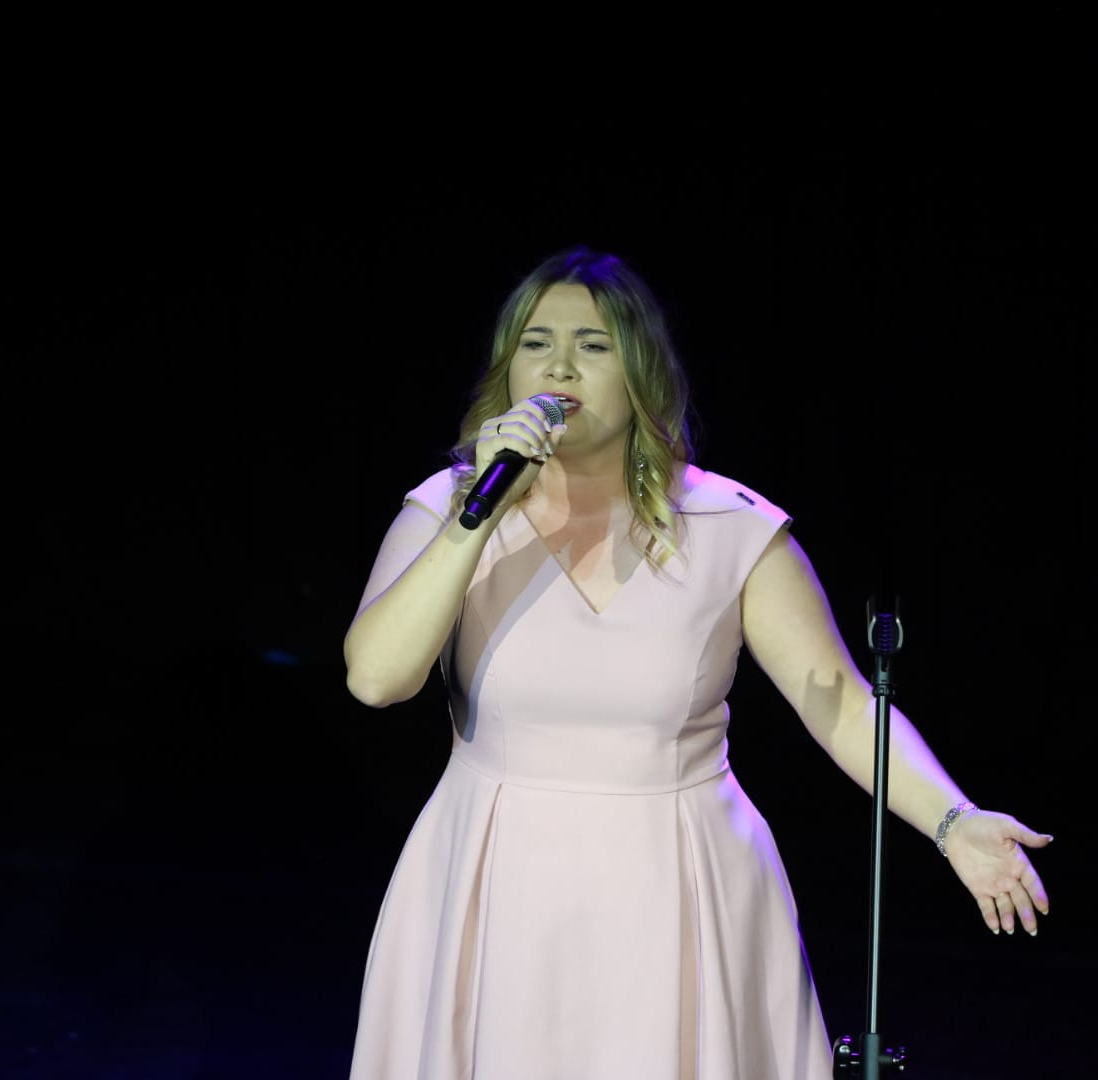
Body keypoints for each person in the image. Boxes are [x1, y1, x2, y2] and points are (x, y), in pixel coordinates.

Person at [340, 245, 1053, 1078]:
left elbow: (843, 706)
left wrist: (953, 821)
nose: (560, 366)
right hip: (493, 873)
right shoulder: (449, 508)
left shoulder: (730, 527)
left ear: (641, 369)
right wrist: (478, 513)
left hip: (676, 882)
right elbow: (377, 679)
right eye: (536, 343)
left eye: (593, 345)